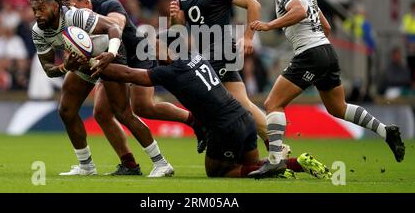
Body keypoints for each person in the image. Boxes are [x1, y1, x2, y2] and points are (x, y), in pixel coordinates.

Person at [88, 30, 331, 179]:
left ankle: (283, 167)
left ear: (170, 50)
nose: (153, 52)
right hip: (244, 119)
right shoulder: (194, 58)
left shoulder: (170, 71)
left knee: (217, 172)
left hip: (225, 127)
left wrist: (97, 64)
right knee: (252, 167)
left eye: (157, 47)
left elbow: (130, 75)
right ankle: (296, 164)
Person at [247, 0, 405, 178]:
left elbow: (299, 12)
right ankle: (385, 131)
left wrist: (268, 24)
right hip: (327, 52)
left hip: (310, 54)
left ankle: (275, 161)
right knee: (338, 108)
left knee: (273, 103)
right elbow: (327, 26)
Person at [25, 0, 174, 177]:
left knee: (122, 112)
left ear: (54, 5)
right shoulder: (38, 31)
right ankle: (86, 166)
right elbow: (48, 69)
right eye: (34, 9)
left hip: (108, 53)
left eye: (41, 9)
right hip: (82, 61)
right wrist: (65, 67)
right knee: (66, 110)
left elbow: (113, 27)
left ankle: (161, 163)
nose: (37, 14)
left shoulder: (74, 15)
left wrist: (111, 54)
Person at [169, 0, 289, 155]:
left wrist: (249, 37)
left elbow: (254, 5)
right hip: (205, 54)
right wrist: (174, 19)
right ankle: (277, 147)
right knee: (243, 103)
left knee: (193, 86)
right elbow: (178, 30)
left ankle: (203, 129)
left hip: (222, 50)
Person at [62, 0, 207, 153]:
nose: (73, 11)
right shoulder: (71, 20)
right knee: (101, 113)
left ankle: (196, 121)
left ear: (87, 2)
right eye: (70, 8)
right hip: (110, 62)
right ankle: (128, 163)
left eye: (76, 6)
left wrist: (94, 31)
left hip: (138, 55)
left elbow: (117, 25)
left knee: (143, 106)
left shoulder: (109, 4)